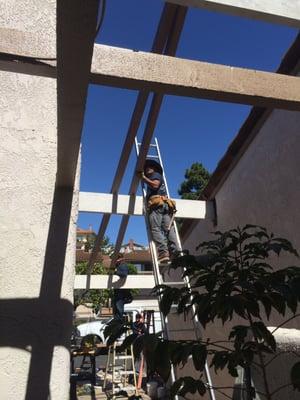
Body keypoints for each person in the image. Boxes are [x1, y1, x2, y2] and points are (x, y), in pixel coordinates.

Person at [138, 159, 180, 264]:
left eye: (150, 167)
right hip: (164, 206)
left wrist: (143, 178)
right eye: (146, 167)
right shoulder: (156, 176)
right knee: (168, 229)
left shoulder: (155, 175)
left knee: (155, 229)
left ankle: (163, 252)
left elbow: (155, 185)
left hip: (157, 205)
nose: (148, 168)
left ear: (155, 168)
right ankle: (176, 251)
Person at [112, 254, 133, 321]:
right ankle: (117, 322)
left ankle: (118, 323)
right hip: (119, 291)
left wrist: (115, 272)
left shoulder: (122, 265)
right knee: (117, 309)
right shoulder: (119, 265)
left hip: (121, 292)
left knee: (119, 309)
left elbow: (124, 274)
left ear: (120, 258)